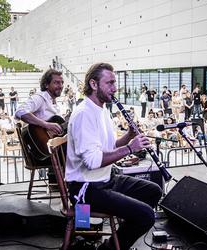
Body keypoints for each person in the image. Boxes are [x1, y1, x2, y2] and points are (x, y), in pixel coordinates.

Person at [66, 63, 162, 250]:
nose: (115, 88)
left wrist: (129, 137)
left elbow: (108, 147)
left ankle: (120, 235)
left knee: (154, 191)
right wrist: (129, 149)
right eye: (109, 83)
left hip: (105, 179)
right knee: (146, 216)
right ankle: (110, 248)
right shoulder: (84, 114)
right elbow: (92, 161)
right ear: (94, 84)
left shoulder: (102, 110)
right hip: (85, 187)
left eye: (114, 82)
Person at [15, 69, 64, 185]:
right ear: (46, 84)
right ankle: (81, 195)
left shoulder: (53, 102)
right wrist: (46, 124)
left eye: (62, 83)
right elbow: (20, 112)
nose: (60, 86)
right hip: (43, 154)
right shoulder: (40, 98)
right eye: (56, 82)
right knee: (80, 154)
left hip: (52, 151)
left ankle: (72, 189)